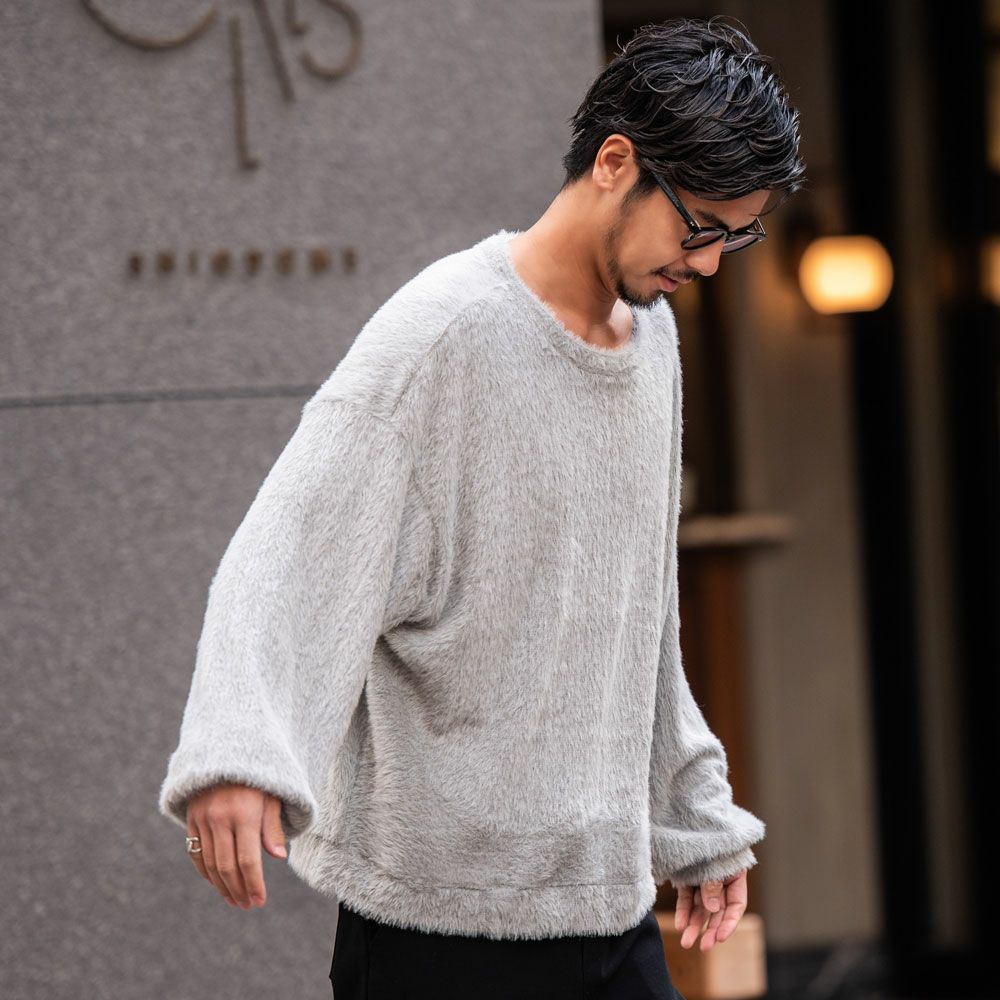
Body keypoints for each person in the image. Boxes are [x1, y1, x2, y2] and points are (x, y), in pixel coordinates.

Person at [158, 14, 806, 998]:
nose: (711, 263)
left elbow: (641, 621)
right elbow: (293, 549)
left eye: (736, 236)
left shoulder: (652, 349)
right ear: (615, 163)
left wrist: (692, 813)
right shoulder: (440, 334)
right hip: (436, 931)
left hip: (608, 913)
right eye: (701, 227)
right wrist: (236, 751)